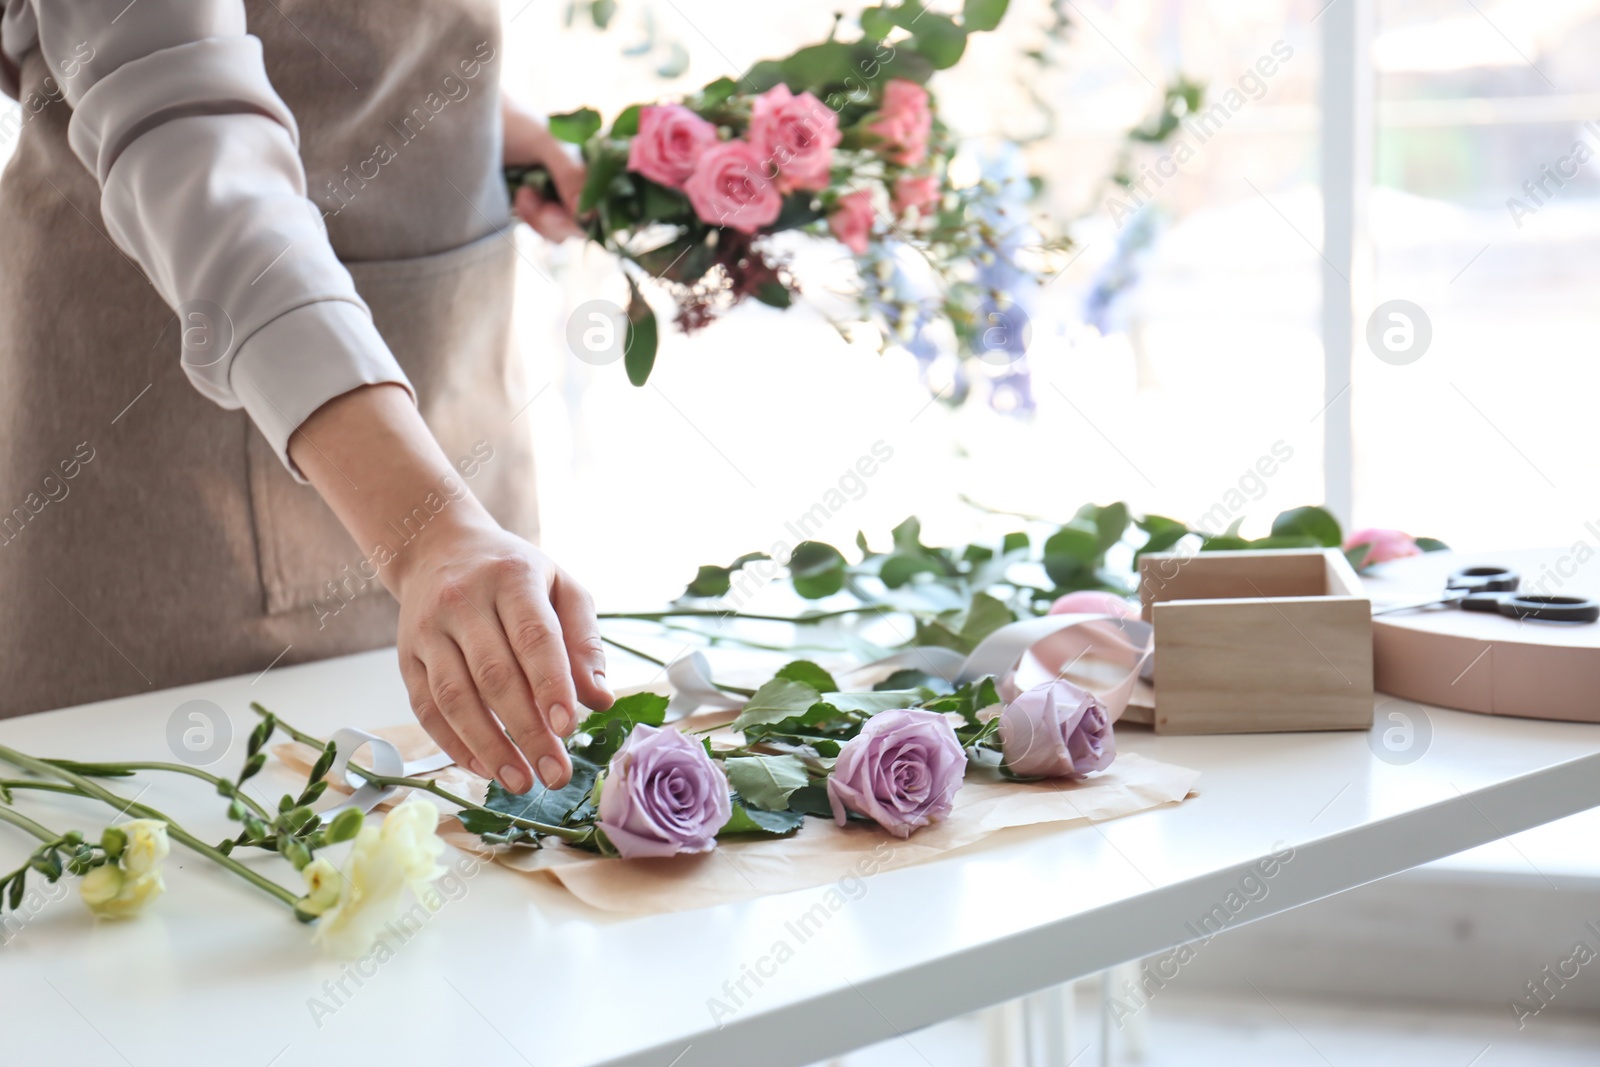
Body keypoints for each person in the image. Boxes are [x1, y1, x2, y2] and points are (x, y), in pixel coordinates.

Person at [0, 0, 606, 793]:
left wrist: (467, 109)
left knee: (480, 838)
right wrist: (427, 533)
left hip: (448, 391)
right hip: (158, 440)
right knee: (191, 840)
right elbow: (184, 129)